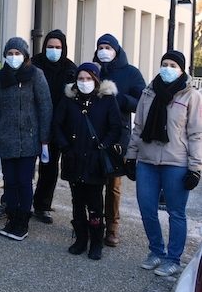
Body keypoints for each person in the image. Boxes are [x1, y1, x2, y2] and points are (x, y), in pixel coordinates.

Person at [126, 51, 202, 277]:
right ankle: (156, 251)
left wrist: (195, 168)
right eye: (164, 64)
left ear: (181, 69)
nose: (167, 68)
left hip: (176, 163)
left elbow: (197, 133)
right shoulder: (148, 92)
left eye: (172, 65)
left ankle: (173, 258)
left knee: (176, 212)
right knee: (147, 208)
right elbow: (138, 126)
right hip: (147, 160)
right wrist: (131, 156)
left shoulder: (191, 95)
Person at [53, 63, 121, 260]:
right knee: (77, 201)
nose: (84, 82)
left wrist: (103, 146)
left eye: (89, 78)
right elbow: (57, 125)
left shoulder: (106, 100)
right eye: (81, 79)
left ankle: (97, 241)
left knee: (95, 204)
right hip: (73, 158)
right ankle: (81, 239)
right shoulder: (69, 100)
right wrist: (65, 147)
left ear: (97, 80)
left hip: (95, 161)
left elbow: (115, 127)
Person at [0, 37, 51, 241]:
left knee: (24, 181)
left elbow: (45, 107)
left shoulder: (36, 75)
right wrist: (1, 125)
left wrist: (43, 138)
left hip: (29, 140)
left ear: (25, 56)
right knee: (10, 180)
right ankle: (12, 217)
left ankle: (23, 220)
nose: (13, 57)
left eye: (17, 53)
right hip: (7, 139)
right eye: (10, 53)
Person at [93, 33, 145, 246]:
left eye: (108, 47)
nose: (104, 51)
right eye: (100, 47)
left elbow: (141, 102)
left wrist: (119, 98)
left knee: (114, 184)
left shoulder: (131, 73)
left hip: (119, 134)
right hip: (94, 133)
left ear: (116, 50)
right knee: (93, 180)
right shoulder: (92, 70)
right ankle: (94, 223)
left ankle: (112, 228)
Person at [31, 29, 77, 224]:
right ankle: (10, 202)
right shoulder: (33, 64)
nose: (54, 50)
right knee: (21, 165)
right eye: (50, 46)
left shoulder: (70, 68)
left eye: (58, 47)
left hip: (57, 127)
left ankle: (42, 206)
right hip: (32, 123)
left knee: (49, 169)